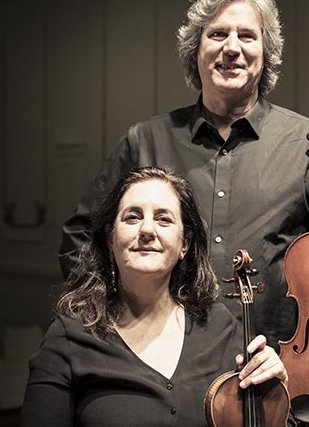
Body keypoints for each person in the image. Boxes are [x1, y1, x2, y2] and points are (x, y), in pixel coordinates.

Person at [59, 0, 309, 346]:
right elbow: (79, 238)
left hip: (275, 357)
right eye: (217, 35)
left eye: (247, 36)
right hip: (161, 358)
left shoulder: (308, 144)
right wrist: (112, 313)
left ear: (265, 53)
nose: (231, 48)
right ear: (194, 51)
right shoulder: (145, 140)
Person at [22, 167, 287, 426]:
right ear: (110, 237)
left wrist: (275, 391)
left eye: (163, 219)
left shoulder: (220, 327)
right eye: (132, 217)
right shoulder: (69, 337)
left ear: (184, 243)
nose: (147, 230)